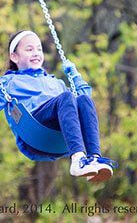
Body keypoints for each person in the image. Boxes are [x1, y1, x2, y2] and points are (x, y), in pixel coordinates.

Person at [0, 30, 117, 181]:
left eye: (39, 49)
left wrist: (75, 76)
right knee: (67, 97)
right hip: (35, 128)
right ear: (14, 56)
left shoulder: (55, 82)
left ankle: (94, 158)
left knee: (82, 100)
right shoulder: (9, 82)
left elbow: (85, 100)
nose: (36, 53)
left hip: (61, 132)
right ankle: (77, 159)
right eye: (29, 49)